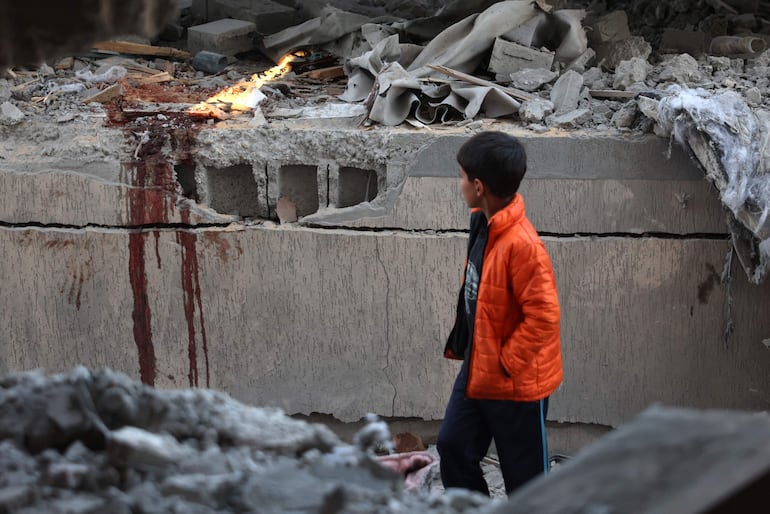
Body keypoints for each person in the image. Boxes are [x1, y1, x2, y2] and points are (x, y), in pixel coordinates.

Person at [436, 131, 562, 496]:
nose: (458, 184)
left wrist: (506, 363)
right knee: (453, 446)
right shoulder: (484, 222)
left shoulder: (523, 246)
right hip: (478, 369)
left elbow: (544, 317)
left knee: (526, 482)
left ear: (478, 186)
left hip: (516, 382)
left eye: (461, 177)